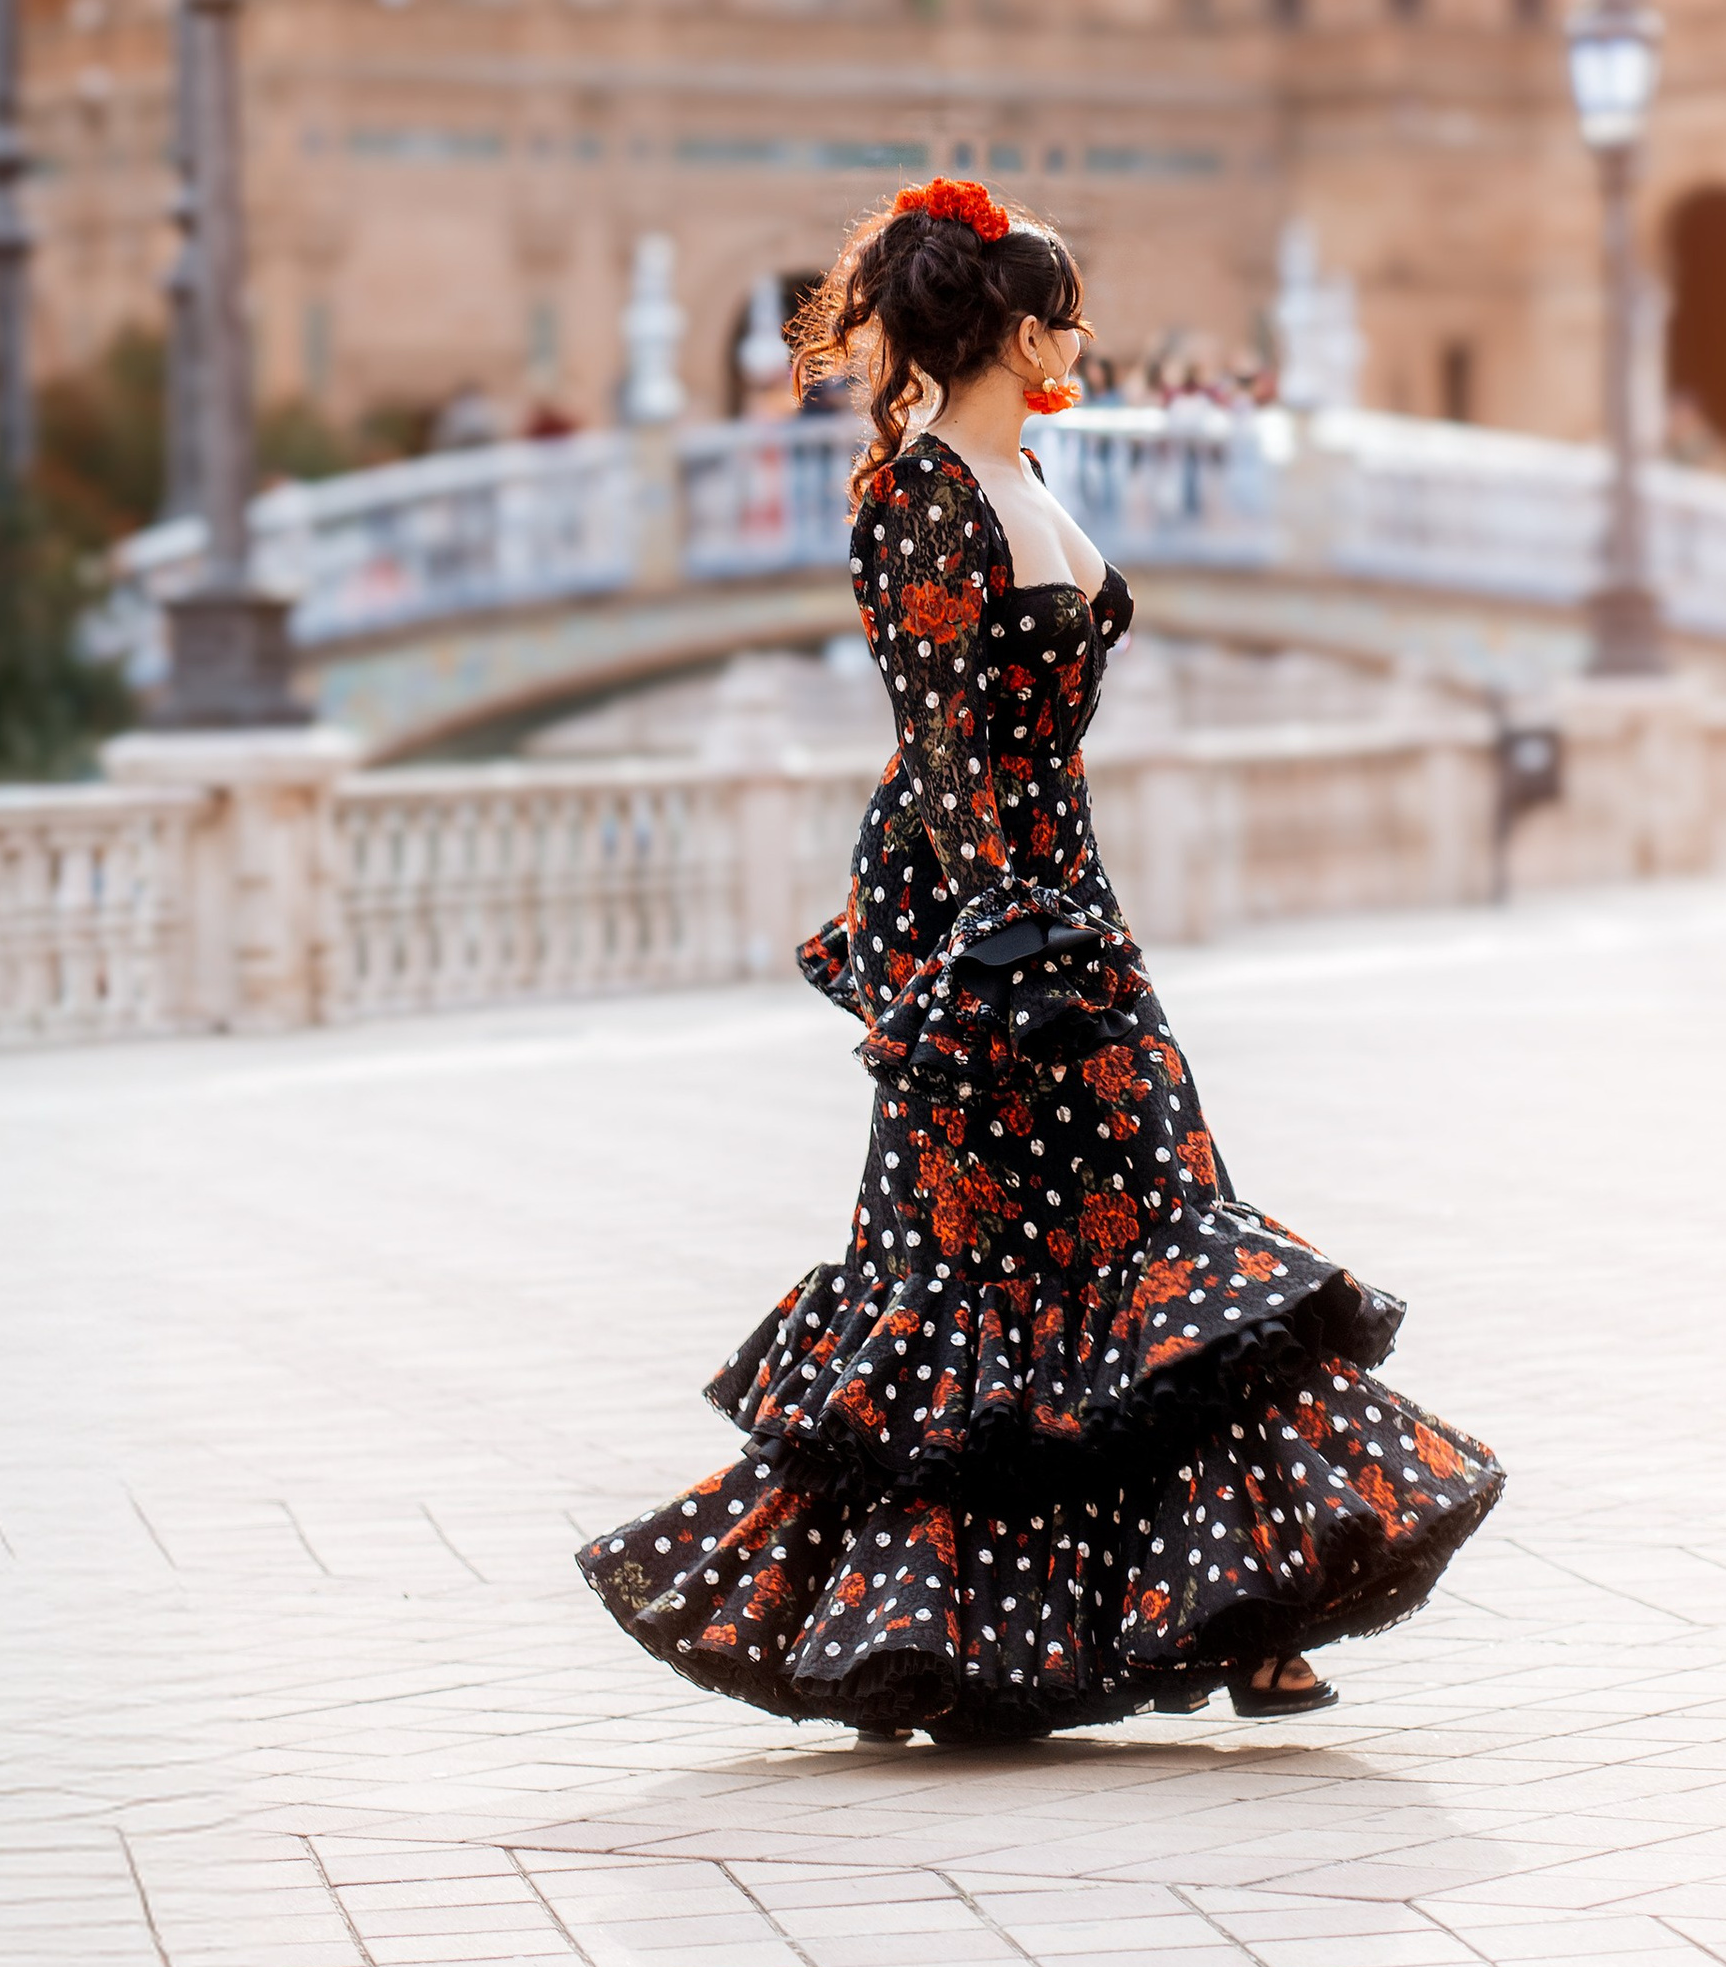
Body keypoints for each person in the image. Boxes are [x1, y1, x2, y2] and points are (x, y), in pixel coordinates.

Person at [578, 176, 1502, 1744]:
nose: (1082, 332)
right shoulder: (921, 495)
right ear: (1012, 330)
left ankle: (1245, 1610)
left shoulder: (1020, 469)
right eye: (1061, 310)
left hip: (1057, 885)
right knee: (974, 1271)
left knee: (1149, 1238)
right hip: (986, 914)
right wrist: (1009, 933)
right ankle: (938, 1634)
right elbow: (940, 741)